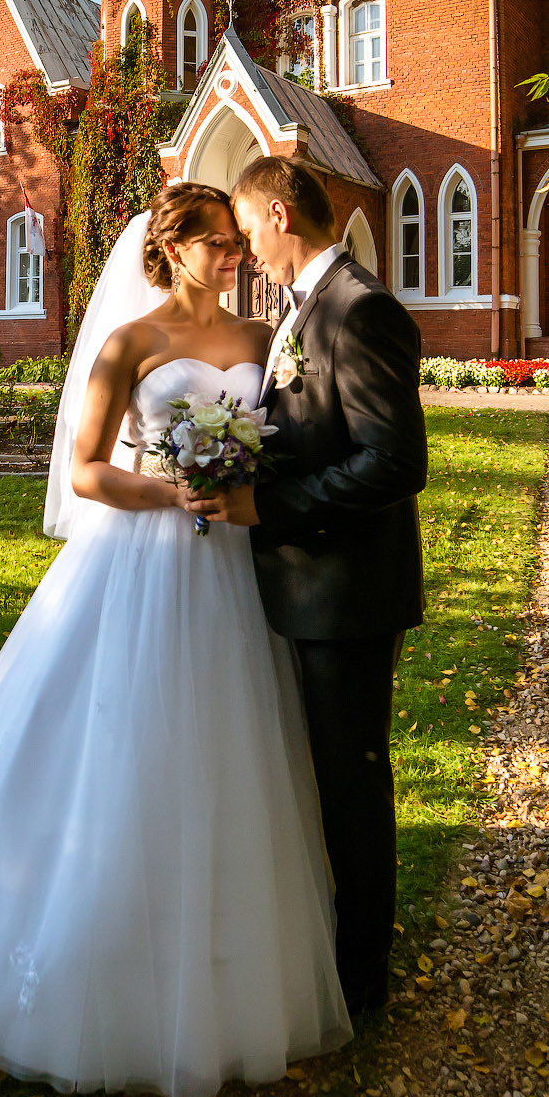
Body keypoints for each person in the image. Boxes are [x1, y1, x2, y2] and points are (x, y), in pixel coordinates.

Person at [0, 181, 351, 1097]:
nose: (234, 256)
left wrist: (243, 480)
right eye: (215, 242)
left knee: (231, 750)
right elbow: (87, 469)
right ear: (172, 249)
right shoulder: (129, 345)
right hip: (142, 559)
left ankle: (227, 960)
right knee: (127, 742)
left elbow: (286, 444)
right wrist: (172, 491)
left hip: (234, 572)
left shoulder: (262, 344)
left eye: (234, 242)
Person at [190, 156, 429, 1021]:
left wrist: (269, 505)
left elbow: (396, 462)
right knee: (323, 778)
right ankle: (330, 951)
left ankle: (362, 980)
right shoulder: (301, 311)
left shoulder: (358, 309)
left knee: (352, 784)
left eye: (249, 230)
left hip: (349, 595)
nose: (248, 251)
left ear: (281, 215)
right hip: (307, 589)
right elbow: (313, 429)